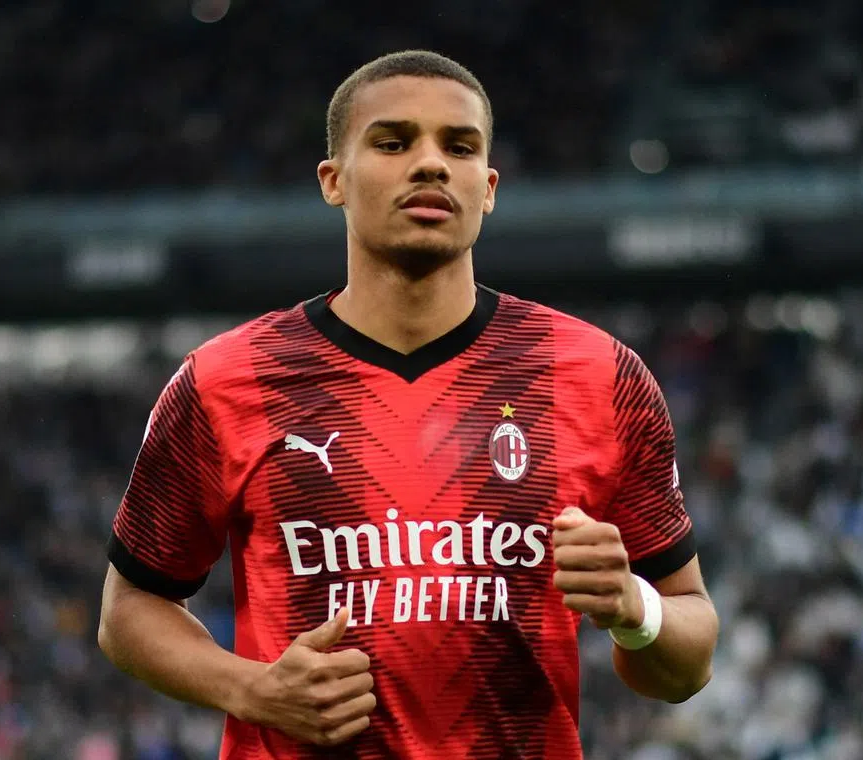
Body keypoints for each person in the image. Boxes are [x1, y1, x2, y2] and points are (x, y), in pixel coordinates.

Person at [97, 49, 719, 759]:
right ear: (334, 180)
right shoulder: (226, 380)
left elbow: (687, 658)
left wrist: (632, 608)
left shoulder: (600, 376)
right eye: (393, 143)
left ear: (487, 188)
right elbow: (129, 611)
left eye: (459, 146)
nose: (431, 164)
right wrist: (251, 689)